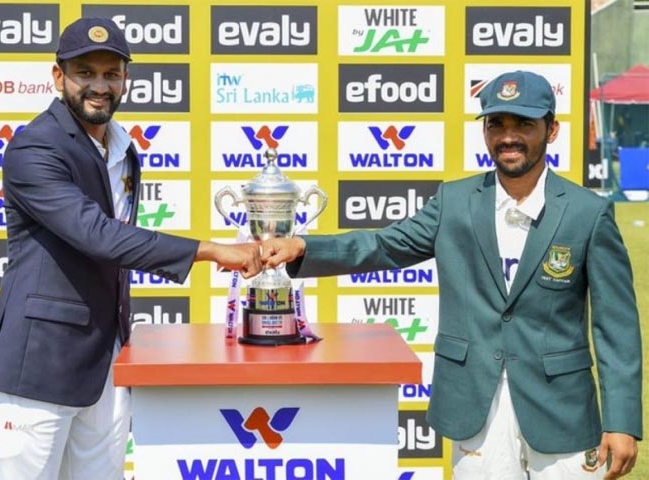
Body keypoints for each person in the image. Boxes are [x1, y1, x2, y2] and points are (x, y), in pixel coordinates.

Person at [262, 71, 642, 480]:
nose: (508, 136)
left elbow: (615, 326)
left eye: (524, 124)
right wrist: (305, 247)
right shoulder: (454, 202)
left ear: (552, 131)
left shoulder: (588, 212)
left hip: (562, 409)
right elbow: (386, 246)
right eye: (496, 124)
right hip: (474, 405)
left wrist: (621, 420)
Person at [0, 17, 262, 480]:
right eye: (85, 72)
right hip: (41, 363)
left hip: (108, 358)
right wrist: (212, 251)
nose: (99, 85)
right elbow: (98, 235)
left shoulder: (122, 148)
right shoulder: (34, 148)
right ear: (58, 77)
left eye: (112, 74)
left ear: (125, 79)